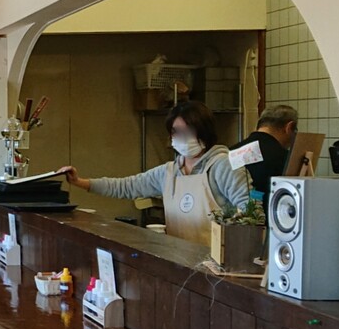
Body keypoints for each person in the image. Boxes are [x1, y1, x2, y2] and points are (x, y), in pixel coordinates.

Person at [60, 101, 250, 246]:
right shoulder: (168, 172)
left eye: (189, 131)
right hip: (179, 257)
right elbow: (127, 186)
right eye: (176, 132)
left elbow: (250, 213)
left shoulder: (223, 165)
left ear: (204, 132)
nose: (182, 138)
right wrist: (79, 182)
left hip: (217, 263)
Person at [229, 105, 297, 198]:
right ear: (289, 127)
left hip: (228, 206)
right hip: (267, 207)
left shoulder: (231, 152)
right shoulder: (286, 159)